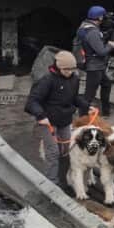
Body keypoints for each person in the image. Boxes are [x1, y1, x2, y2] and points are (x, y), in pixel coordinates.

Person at [25, 50, 90, 183]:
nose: (69, 72)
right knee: (53, 152)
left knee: (66, 151)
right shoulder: (47, 80)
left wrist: (86, 106)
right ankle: (52, 182)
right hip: (48, 121)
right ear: (58, 66)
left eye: (72, 69)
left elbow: (74, 97)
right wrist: (41, 115)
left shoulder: (74, 79)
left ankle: (64, 178)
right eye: (66, 69)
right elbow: (32, 101)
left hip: (65, 120)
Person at [73, 5, 114, 117]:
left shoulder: (84, 26)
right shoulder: (93, 32)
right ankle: (83, 116)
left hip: (95, 65)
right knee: (89, 94)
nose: (105, 19)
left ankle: (106, 111)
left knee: (106, 84)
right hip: (94, 66)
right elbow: (101, 51)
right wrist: (110, 46)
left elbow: (90, 44)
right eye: (103, 17)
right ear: (99, 18)